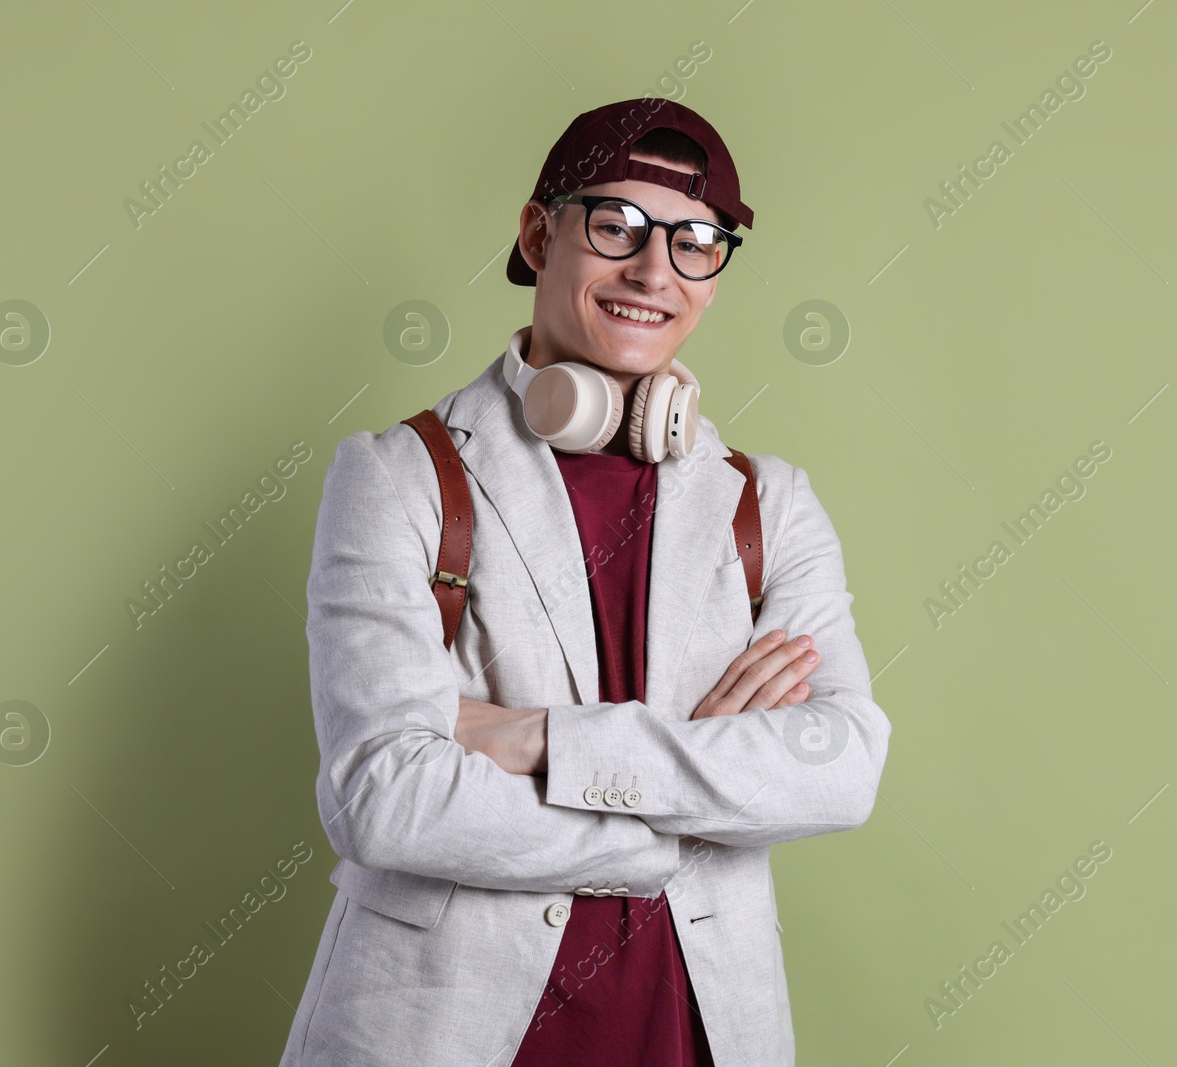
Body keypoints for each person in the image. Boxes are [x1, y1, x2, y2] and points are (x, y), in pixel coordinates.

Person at [278, 98, 890, 1067]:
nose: (655, 272)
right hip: (443, 1034)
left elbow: (842, 765)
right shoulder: (397, 473)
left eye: (697, 242)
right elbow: (381, 796)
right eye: (617, 226)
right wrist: (666, 834)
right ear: (538, 230)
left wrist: (528, 736)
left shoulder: (767, 502)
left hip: (694, 1030)